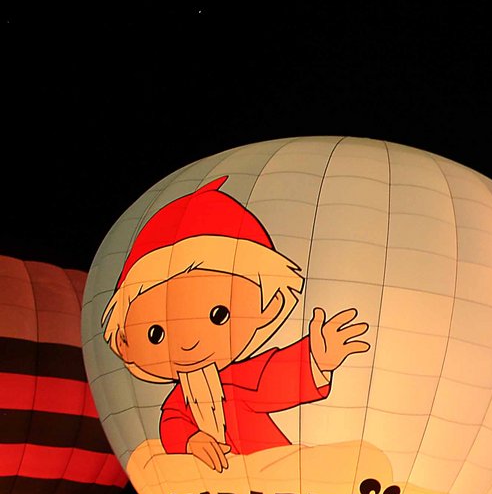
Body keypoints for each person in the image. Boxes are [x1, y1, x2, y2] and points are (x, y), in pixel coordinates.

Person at [99, 177, 370, 472]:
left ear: (270, 305)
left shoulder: (240, 380)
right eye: (156, 333)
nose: (188, 342)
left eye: (218, 315)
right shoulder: (179, 401)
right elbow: (173, 423)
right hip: (214, 489)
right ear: (125, 344)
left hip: (272, 476)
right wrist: (190, 441)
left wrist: (316, 359)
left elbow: (275, 376)